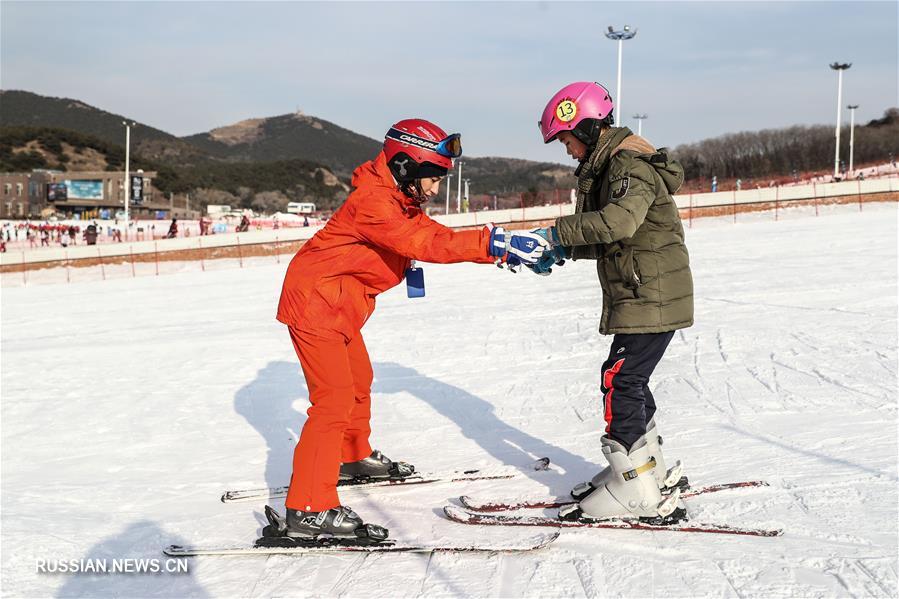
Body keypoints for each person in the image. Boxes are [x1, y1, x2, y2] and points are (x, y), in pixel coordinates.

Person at [275, 118, 549, 544]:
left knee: (359, 381)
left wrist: (496, 248)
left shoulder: (396, 199)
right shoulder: (374, 203)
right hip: (316, 304)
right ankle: (308, 508)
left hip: (339, 305)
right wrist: (491, 244)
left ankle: (351, 456)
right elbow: (427, 245)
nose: (436, 189)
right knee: (331, 402)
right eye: (433, 178)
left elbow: (431, 234)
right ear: (404, 165)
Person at [530, 81, 694, 523]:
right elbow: (613, 235)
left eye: (565, 139)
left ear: (584, 128)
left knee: (620, 379)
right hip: (644, 291)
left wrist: (557, 233)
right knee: (630, 380)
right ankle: (643, 469)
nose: (566, 150)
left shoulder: (627, 166)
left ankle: (636, 488)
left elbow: (619, 222)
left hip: (650, 294)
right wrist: (561, 249)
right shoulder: (612, 165)